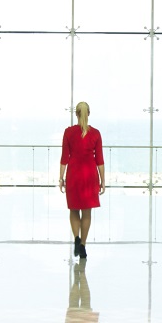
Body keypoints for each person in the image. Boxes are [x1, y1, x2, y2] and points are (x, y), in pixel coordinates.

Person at [59, 100, 104, 260]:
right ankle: (83, 245)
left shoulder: (68, 132)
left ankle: (76, 238)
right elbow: (99, 159)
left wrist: (61, 177)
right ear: (89, 113)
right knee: (87, 212)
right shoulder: (96, 133)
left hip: (74, 174)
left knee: (73, 209)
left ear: (76, 114)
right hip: (90, 174)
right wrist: (102, 180)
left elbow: (65, 157)